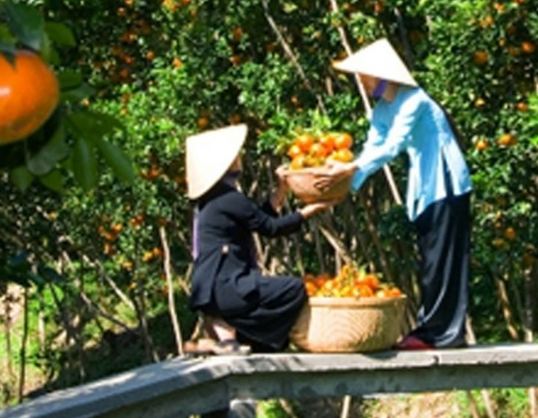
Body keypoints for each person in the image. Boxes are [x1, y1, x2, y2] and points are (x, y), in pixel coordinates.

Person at [317, 39, 472, 350]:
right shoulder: (383, 108)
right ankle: (433, 330)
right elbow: (373, 147)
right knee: (430, 259)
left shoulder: (414, 100)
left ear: (381, 74)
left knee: (444, 260)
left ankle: (442, 334)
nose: (360, 80)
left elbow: (394, 145)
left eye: (364, 74)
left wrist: (348, 170)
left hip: (445, 182)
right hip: (426, 187)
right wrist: (346, 186)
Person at [185, 123, 330, 353]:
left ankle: (224, 336)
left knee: (278, 291)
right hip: (227, 289)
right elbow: (271, 228)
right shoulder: (229, 198)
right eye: (235, 156)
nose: (239, 158)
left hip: (212, 290)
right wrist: (308, 211)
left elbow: (258, 219)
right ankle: (233, 333)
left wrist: (281, 190)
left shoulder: (214, 199)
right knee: (293, 289)